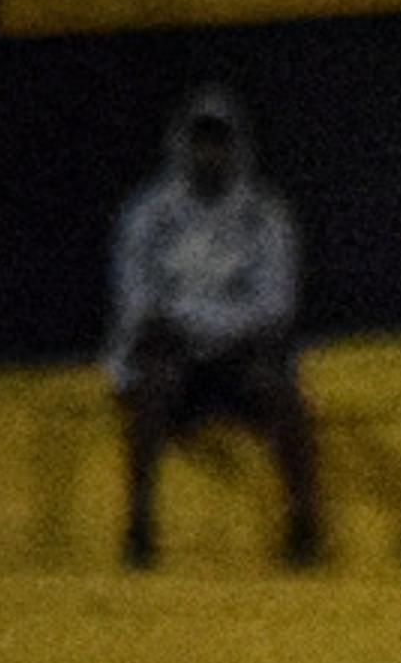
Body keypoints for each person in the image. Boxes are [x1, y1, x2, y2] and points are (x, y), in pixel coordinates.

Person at [107, 86, 321, 571]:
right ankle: (139, 522)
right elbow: (135, 299)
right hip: (173, 354)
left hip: (239, 357)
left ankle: (304, 524)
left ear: (237, 146)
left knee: (281, 391)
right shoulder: (148, 214)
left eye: (219, 142)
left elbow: (276, 304)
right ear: (182, 143)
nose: (210, 153)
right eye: (201, 141)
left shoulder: (265, 215)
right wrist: (186, 329)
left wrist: (210, 329)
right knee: (155, 377)